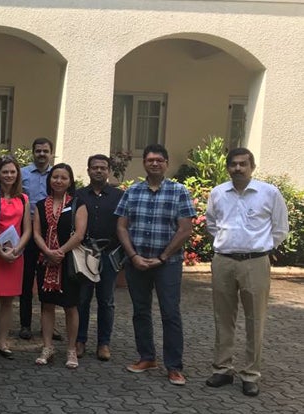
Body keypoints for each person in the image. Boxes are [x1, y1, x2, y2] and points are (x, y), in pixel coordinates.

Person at [205, 147, 289, 397]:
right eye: (233, 164)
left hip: (255, 262)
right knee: (223, 317)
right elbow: (212, 225)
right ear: (227, 167)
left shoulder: (269, 193)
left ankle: (250, 374)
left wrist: (259, 247)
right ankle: (223, 369)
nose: (238, 168)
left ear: (252, 167)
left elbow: (280, 228)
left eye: (243, 164)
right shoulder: (218, 193)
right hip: (224, 261)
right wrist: (230, 245)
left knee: (255, 320)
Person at [116, 144, 195, 386]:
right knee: (141, 311)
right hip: (137, 262)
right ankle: (147, 357)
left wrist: (162, 257)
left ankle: (174, 366)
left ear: (166, 163)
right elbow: (121, 226)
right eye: (150, 160)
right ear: (144, 163)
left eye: (159, 160)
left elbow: (185, 229)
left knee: (170, 313)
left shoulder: (178, 191)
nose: (154, 163)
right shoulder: (133, 191)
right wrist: (133, 256)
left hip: (167, 264)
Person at [32, 163, 87, 369]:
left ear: (70, 181)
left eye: (63, 177)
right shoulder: (40, 205)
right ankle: (47, 347)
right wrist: (48, 252)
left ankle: (71, 349)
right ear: (49, 180)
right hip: (45, 261)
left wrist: (60, 252)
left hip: (68, 263)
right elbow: (36, 233)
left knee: (70, 306)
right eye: (55, 177)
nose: (59, 181)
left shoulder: (77, 204)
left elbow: (80, 234)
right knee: (47, 305)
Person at [74, 154, 123, 362]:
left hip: (108, 253)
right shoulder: (78, 195)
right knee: (82, 299)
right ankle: (80, 340)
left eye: (103, 168)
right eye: (95, 167)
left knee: (106, 301)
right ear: (88, 170)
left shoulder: (118, 196)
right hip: (84, 252)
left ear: (109, 171)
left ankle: (103, 343)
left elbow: (124, 225)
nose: (99, 171)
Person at [0, 155, 31, 360]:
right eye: (5, 172)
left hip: (15, 255)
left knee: (8, 302)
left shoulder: (24, 198)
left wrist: (18, 249)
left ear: (17, 174)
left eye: (13, 172)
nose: (9, 175)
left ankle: (3, 341)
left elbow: (27, 229)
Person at [19, 138, 56, 341]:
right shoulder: (22, 174)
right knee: (25, 281)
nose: (42, 154)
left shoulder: (57, 175)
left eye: (45, 151)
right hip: (26, 233)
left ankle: (48, 326)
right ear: (33, 152)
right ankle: (25, 324)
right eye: (38, 151)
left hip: (50, 235)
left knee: (47, 281)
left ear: (51, 153)